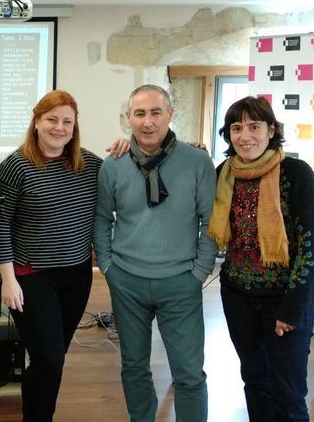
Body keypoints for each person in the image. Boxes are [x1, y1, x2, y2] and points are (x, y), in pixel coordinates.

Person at [94, 84, 217, 422]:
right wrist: (108, 266)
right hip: (127, 282)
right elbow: (102, 218)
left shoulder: (197, 161)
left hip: (181, 282)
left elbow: (211, 221)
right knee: (133, 365)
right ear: (128, 118)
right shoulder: (114, 164)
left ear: (170, 114)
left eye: (155, 112)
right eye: (139, 114)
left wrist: (199, 272)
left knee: (189, 372)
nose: (147, 122)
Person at [208, 96, 314, 421]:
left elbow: (313, 247)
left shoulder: (296, 174)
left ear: (271, 130)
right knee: (255, 381)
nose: (245, 136)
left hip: (283, 301)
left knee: (288, 393)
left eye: (254, 126)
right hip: (238, 298)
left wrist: (292, 308)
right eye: (236, 128)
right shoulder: (223, 174)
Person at [0, 90, 103, 422]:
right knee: (49, 360)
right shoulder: (16, 165)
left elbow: (132, 171)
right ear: (37, 121)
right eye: (52, 119)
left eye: (67, 121)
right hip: (31, 277)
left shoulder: (90, 164)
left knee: (54, 358)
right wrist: (7, 280)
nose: (59, 127)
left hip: (77, 275)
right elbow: (0, 223)